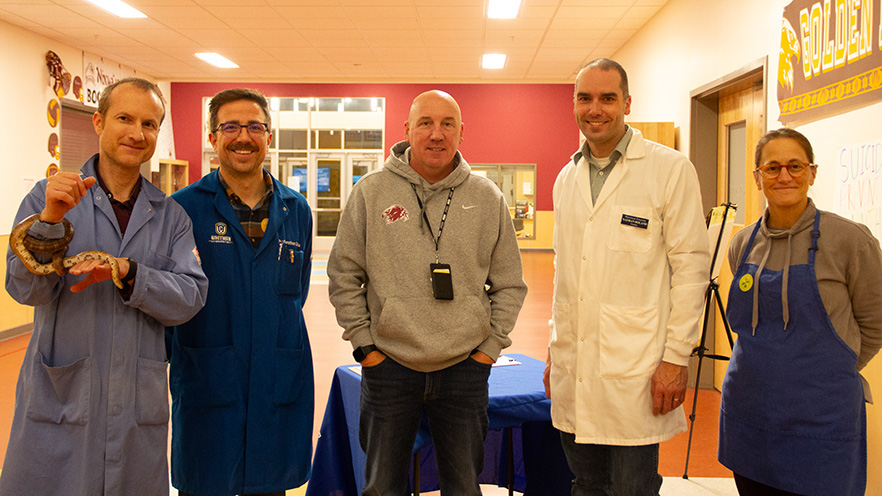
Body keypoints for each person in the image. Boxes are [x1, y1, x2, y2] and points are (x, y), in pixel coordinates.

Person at [1, 77, 208, 495]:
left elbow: (190, 297)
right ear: (98, 121)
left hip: (135, 402)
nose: (136, 133)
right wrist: (49, 223)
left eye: (149, 124)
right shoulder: (48, 197)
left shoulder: (171, 216)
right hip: (60, 395)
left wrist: (129, 273)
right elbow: (25, 290)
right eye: (124, 118)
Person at [328, 89, 527, 495]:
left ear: (461, 132)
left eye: (447, 124)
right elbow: (344, 275)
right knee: (382, 488)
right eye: (426, 123)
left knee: (464, 487)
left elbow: (509, 284)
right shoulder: (371, 192)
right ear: (407, 130)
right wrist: (365, 346)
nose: (436, 134)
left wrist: (489, 347)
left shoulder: (487, 197)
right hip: (390, 368)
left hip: (464, 369)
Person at [544, 58, 711, 495]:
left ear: (627, 103)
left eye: (607, 98)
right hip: (574, 363)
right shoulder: (566, 178)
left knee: (632, 487)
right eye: (585, 98)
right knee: (586, 483)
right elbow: (565, 270)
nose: (595, 109)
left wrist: (676, 357)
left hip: (638, 367)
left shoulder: (669, 169)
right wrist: (553, 348)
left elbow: (691, 268)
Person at [719, 128, 882, 495]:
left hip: (821, 421)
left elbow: (876, 322)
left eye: (795, 166)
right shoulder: (743, 244)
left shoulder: (849, 241)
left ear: (812, 172)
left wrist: (833, 369)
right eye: (773, 168)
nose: (785, 176)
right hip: (750, 415)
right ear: (758, 177)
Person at [167, 88, 314, 496]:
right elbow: (170, 301)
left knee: (270, 485)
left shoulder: (296, 210)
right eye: (230, 126)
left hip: (276, 377)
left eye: (255, 127)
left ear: (270, 136)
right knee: (206, 481)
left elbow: (294, 294)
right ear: (212, 137)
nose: (243, 137)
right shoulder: (182, 209)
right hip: (208, 377)